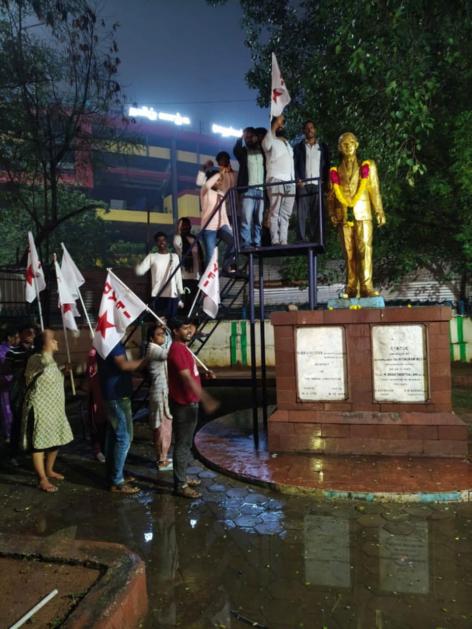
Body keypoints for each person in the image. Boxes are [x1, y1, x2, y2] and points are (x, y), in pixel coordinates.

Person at [327, 131, 386, 298]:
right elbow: (331, 195)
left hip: (364, 213)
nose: (348, 146)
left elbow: (374, 190)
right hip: (343, 216)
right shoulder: (334, 170)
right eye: (344, 144)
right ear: (339, 147)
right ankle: (351, 287)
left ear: (357, 145)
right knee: (349, 253)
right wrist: (331, 212)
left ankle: (367, 286)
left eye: (351, 142)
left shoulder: (367, 166)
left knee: (365, 250)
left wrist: (379, 211)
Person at [167, 316, 218, 498]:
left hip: (189, 402)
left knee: (186, 443)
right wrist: (206, 398)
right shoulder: (177, 350)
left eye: (190, 327)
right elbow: (186, 378)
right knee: (182, 444)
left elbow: (191, 375)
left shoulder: (183, 349)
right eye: (185, 328)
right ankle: (180, 485)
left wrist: (203, 376)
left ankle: (182, 477)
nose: (189, 331)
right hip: (184, 405)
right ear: (175, 331)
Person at [20, 329, 74, 493]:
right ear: (44, 344)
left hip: (55, 409)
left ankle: (49, 470)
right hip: (40, 409)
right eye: (53, 339)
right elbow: (41, 368)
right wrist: (44, 340)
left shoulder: (50, 360)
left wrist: (64, 371)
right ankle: (42, 479)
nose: (57, 342)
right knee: (39, 444)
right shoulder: (36, 359)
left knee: (55, 440)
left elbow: (51, 379)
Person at [97, 340, 148, 493]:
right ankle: (117, 481)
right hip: (117, 396)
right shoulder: (112, 341)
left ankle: (113, 475)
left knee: (113, 437)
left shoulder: (105, 340)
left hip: (113, 395)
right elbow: (123, 365)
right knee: (124, 437)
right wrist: (148, 360)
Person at [293, 120, 330, 242]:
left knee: (317, 214)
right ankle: (301, 239)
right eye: (307, 128)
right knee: (302, 214)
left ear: (315, 130)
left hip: (317, 185)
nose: (310, 130)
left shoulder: (323, 147)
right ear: (304, 131)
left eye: (312, 128)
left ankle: (316, 239)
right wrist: (298, 179)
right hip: (303, 184)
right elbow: (294, 165)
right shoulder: (298, 147)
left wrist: (325, 182)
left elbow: (327, 166)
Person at [261, 115, 296, 245]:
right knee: (275, 211)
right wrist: (274, 125)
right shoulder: (270, 139)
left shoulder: (288, 145)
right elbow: (265, 146)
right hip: (275, 178)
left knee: (286, 213)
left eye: (282, 124)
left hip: (290, 181)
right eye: (279, 123)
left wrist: (293, 180)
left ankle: (284, 240)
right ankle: (275, 239)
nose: (282, 125)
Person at [5, 322, 36, 464]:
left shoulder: (37, 352)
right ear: (21, 334)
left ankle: (32, 451)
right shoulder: (12, 352)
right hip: (18, 392)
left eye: (33, 332)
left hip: (34, 392)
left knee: (33, 422)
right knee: (17, 422)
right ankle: (13, 453)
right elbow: (5, 370)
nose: (31, 335)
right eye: (28, 332)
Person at [135, 231, 184, 318]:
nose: (162, 242)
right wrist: (136, 263)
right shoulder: (152, 257)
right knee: (159, 323)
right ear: (156, 243)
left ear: (167, 242)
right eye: (159, 240)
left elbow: (178, 276)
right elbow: (140, 271)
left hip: (172, 295)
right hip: (157, 295)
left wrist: (181, 293)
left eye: (163, 240)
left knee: (171, 322)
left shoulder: (174, 256)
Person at [200, 169, 237, 276]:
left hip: (221, 225)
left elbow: (224, 213)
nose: (219, 182)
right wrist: (218, 174)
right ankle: (208, 280)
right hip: (209, 228)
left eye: (220, 180)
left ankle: (226, 265)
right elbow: (207, 185)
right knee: (211, 257)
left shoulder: (221, 193)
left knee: (235, 242)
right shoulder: (204, 191)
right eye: (217, 180)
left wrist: (229, 228)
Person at [233, 127, 266, 249]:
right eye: (246, 137)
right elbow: (235, 150)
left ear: (255, 137)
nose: (248, 139)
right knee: (246, 219)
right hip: (248, 189)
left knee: (259, 219)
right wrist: (240, 138)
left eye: (250, 136)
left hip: (261, 189)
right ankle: (246, 243)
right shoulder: (243, 152)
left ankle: (257, 242)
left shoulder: (262, 150)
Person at [146, 323, 173, 472]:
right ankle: (162, 460)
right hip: (159, 393)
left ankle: (163, 457)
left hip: (162, 392)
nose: (162, 336)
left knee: (164, 426)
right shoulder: (153, 349)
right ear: (151, 338)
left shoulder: (157, 348)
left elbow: (168, 346)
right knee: (162, 427)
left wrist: (166, 330)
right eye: (159, 334)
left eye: (163, 334)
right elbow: (170, 352)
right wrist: (170, 331)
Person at [173, 218, 204, 313]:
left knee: (194, 302)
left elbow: (200, 257)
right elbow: (177, 244)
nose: (185, 227)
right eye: (182, 225)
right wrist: (178, 230)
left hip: (196, 276)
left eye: (186, 225)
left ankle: (193, 321)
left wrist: (202, 272)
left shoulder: (194, 239)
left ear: (190, 226)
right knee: (184, 302)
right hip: (183, 276)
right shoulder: (178, 239)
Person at [85, 347, 107, 463]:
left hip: (107, 392)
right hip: (96, 393)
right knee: (97, 423)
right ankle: (98, 450)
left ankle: (105, 448)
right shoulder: (93, 353)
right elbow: (91, 372)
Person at [0, 326, 18, 442]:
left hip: (14, 385)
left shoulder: (16, 349)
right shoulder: (2, 350)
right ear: (9, 338)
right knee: (7, 410)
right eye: (16, 337)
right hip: (5, 386)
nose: (18, 340)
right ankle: (9, 434)